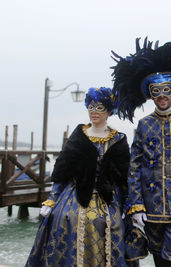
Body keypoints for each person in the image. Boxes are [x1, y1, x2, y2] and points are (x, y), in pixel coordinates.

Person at [112, 38, 171, 267]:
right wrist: (135, 204)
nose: (162, 96)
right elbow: (135, 165)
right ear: (150, 95)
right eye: (156, 92)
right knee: (157, 251)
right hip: (151, 203)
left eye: (165, 90)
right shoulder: (145, 124)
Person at [26, 87, 147, 267]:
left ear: (108, 111)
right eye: (91, 107)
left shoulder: (118, 140)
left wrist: (131, 205)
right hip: (75, 196)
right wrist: (52, 200)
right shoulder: (78, 137)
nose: (94, 112)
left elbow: (124, 177)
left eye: (99, 108)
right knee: (67, 218)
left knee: (112, 223)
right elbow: (62, 171)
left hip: (108, 198)